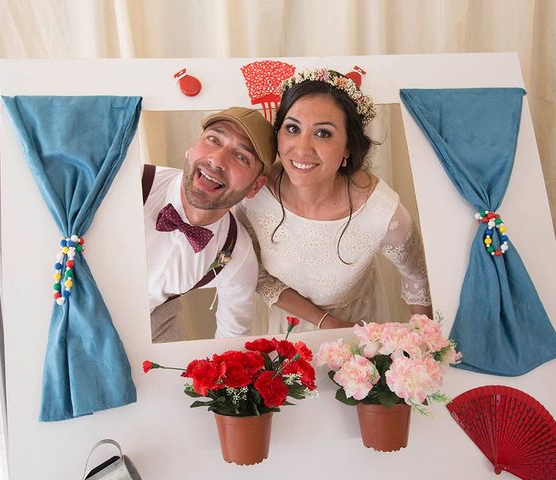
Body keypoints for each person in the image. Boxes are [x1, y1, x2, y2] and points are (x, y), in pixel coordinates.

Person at [236, 68, 432, 334]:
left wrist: (423, 345)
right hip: (284, 320)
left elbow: (418, 278)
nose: (302, 148)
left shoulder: (382, 212)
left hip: (356, 324)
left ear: (348, 148)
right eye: (293, 128)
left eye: (323, 133)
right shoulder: (254, 193)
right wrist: (326, 323)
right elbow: (255, 273)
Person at [143, 107, 276, 342]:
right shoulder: (132, 184)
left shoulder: (237, 253)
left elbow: (231, 341)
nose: (217, 160)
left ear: (256, 186)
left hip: (151, 323)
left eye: (241, 157)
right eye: (213, 140)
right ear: (191, 147)